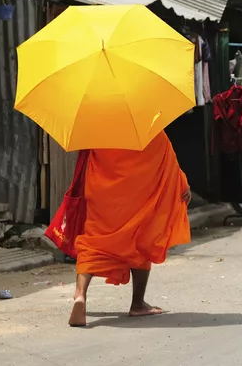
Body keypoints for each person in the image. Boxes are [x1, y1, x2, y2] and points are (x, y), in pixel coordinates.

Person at [68, 131, 192, 327]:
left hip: (102, 193)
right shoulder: (149, 127)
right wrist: (183, 183)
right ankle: (137, 304)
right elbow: (168, 161)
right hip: (140, 193)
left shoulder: (95, 128)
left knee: (94, 241)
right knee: (142, 239)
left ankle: (80, 294)